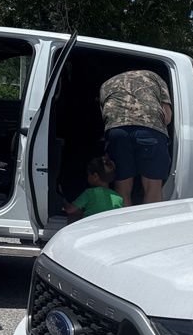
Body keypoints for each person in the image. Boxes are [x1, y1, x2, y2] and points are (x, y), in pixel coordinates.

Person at [99, 69, 172, 206]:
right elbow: (167, 117)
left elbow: (106, 115)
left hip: (117, 130)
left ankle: (124, 225)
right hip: (150, 129)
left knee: (122, 186)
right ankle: (148, 225)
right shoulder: (156, 78)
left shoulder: (106, 84)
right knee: (152, 187)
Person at [63, 156, 123, 221]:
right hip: (108, 228)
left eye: (88, 174)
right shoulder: (118, 197)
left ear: (95, 176)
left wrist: (64, 201)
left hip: (91, 227)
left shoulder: (89, 193)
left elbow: (70, 210)